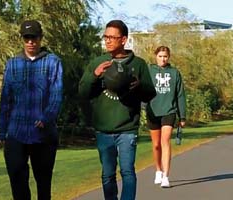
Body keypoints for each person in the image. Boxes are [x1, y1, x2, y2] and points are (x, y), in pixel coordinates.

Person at [78, 20, 156, 200]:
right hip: (104, 129)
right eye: (106, 36)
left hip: (127, 128)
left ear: (123, 39)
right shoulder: (98, 62)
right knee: (107, 175)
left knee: (127, 171)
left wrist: (138, 86)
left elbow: (150, 94)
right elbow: (83, 92)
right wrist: (94, 75)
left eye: (112, 37)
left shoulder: (138, 64)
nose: (108, 40)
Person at [0, 20, 63, 200]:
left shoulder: (53, 62)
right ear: (23, 39)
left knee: (43, 185)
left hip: (43, 133)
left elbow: (56, 95)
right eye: (27, 38)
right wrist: (3, 132)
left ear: (40, 38)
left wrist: (46, 117)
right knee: (17, 181)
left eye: (34, 38)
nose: (30, 42)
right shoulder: (13, 64)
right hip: (16, 132)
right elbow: (6, 99)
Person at [146, 46, 186, 188]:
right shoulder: (149, 71)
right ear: (155, 56)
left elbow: (180, 95)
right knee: (156, 145)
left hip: (169, 111)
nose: (163, 59)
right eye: (160, 56)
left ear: (169, 57)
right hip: (153, 111)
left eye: (165, 56)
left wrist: (182, 117)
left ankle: (166, 176)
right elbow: (141, 88)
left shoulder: (175, 73)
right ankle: (158, 170)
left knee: (165, 141)